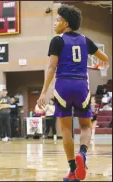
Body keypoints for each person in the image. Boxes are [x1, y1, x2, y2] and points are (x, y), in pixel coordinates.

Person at [37, 4, 109, 181]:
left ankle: (72, 170)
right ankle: (82, 153)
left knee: (66, 129)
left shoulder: (57, 40)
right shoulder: (85, 40)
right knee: (85, 126)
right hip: (81, 85)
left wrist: (44, 91)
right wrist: (98, 66)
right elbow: (105, 59)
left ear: (66, 23)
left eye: (58, 20)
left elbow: (52, 67)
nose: (55, 23)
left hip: (63, 85)